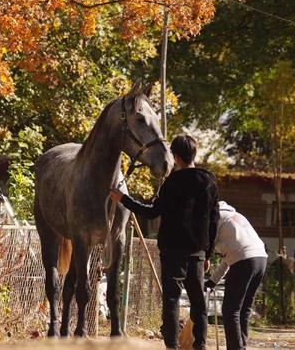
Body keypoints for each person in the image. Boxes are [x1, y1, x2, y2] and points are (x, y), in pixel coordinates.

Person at [110, 134, 219, 350]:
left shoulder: (172, 183)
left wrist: (123, 199)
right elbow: (214, 219)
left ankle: (171, 346)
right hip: (197, 250)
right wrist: (208, 253)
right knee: (199, 303)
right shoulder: (209, 181)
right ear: (194, 153)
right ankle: (201, 345)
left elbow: (152, 212)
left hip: (172, 250)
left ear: (175, 157)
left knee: (172, 300)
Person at [204, 201, 267, 350]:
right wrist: (213, 281)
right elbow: (230, 257)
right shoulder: (235, 215)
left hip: (245, 261)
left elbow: (209, 247)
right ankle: (241, 346)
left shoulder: (215, 218)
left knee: (230, 310)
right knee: (244, 308)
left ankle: (235, 348)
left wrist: (205, 257)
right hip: (261, 259)